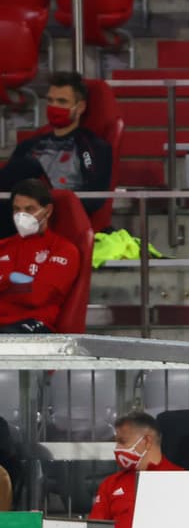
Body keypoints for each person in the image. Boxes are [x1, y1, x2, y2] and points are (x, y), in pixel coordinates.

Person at [0, 71, 112, 237]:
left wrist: (48, 204)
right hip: (18, 216)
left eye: (62, 101)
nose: (54, 107)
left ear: (80, 107)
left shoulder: (93, 147)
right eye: (51, 101)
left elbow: (94, 199)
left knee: (29, 166)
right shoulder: (30, 145)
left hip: (58, 215)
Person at [0, 179, 80, 333]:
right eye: (17, 209)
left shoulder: (64, 250)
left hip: (32, 326)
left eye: (29, 209)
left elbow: (37, 297)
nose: (21, 216)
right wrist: (14, 280)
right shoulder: (3, 246)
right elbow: (28, 292)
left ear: (48, 211)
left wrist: (6, 279)